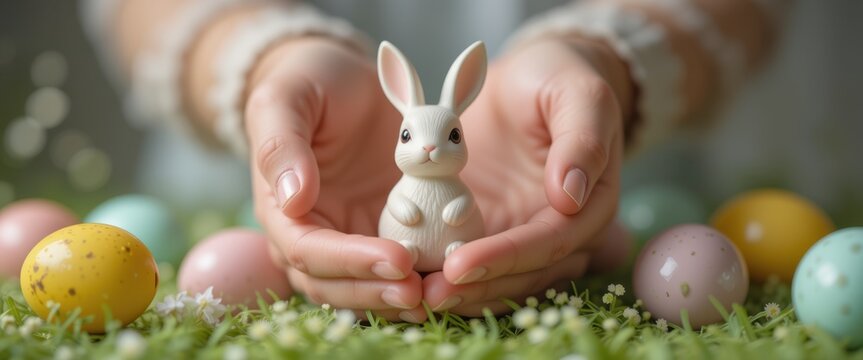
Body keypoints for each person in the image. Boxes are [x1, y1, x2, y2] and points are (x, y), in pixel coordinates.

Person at [79, 0, 785, 323]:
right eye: (415, 139)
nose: (425, 149)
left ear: (461, 127)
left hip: (616, 194)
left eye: (445, 139)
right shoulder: (403, 168)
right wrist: (265, 60)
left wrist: (607, 63)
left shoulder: (458, 175)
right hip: (239, 190)